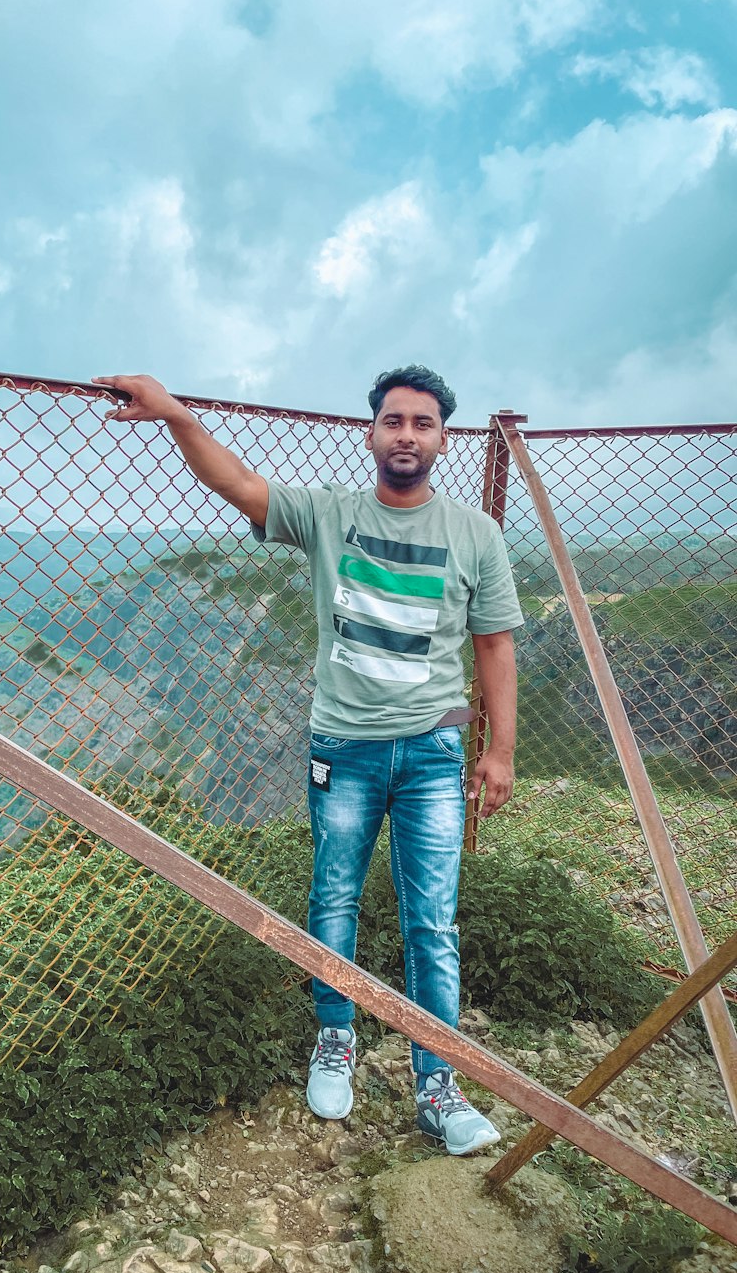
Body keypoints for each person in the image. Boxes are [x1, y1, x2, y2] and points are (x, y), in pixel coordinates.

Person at [93, 366, 522, 1155]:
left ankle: (439, 1084)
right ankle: (336, 1038)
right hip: (343, 750)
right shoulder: (329, 516)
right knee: (334, 896)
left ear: (442, 440)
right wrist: (174, 413)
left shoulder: (475, 534)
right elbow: (240, 484)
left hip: (433, 753)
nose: (406, 434)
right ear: (371, 432)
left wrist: (499, 751)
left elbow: (495, 643)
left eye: (421, 423)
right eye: (393, 420)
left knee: (432, 920)